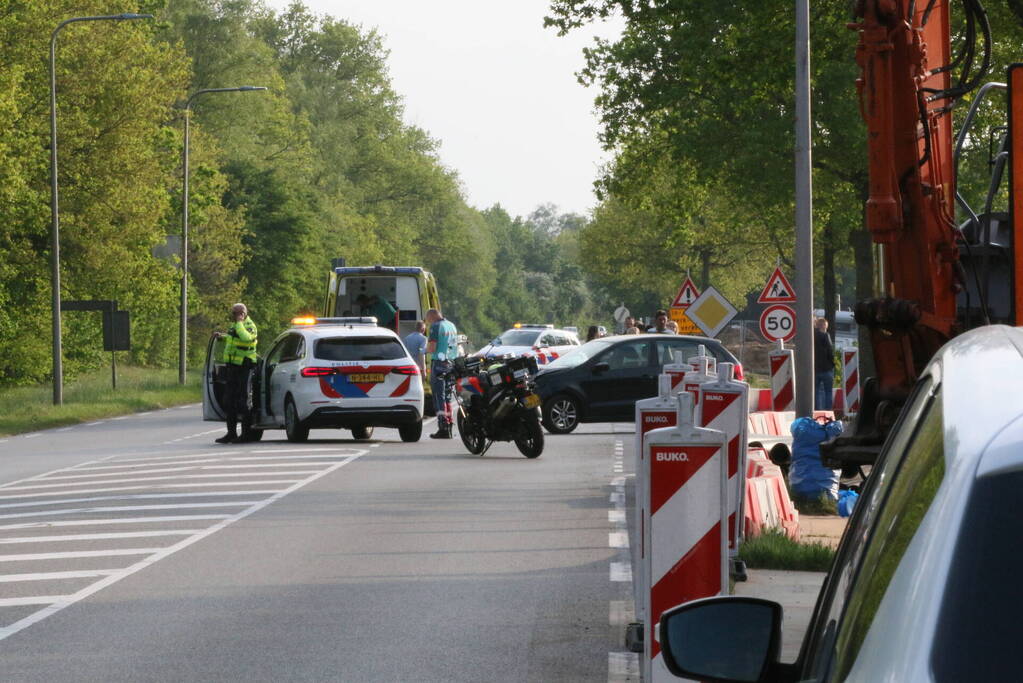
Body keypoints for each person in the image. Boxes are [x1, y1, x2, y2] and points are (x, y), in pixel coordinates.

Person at [215, 303, 258, 444]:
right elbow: (234, 339)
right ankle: (231, 433)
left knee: (243, 402)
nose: (235, 316)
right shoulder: (235, 326)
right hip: (232, 367)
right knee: (229, 401)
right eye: (233, 313)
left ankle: (246, 434)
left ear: (244, 313)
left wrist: (240, 322)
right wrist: (222, 337)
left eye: (238, 313)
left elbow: (246, 338)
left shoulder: (249, 325)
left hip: (244, 367)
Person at [425, 308, 458, 439]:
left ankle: (442, 426)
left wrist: (424, 350)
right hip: (451, 363)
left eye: (428, 321)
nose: (428, 323)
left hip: (439, 363)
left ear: (432, 317)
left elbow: (432, 347)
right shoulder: (451, 325)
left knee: (439, 396)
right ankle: (449, 425)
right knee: (448, 396)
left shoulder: (435, 326)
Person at [814, 317, 835, 410]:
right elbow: (830, 351)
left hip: (815, 369)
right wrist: (832, 363)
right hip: (826, 368)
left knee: (816, 391)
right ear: (823, 326)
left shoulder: (811, 336)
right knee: (828, 391)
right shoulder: (826, 336)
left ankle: (818, 411)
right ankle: (828, 412)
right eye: (826, 327)